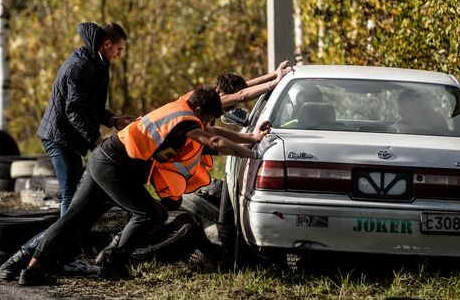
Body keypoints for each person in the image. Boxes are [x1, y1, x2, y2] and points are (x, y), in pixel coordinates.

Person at [17, 86, 275, 286]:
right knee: (150, 214)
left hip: (104, 159)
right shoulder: (185, 121)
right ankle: (112, 263)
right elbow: (215, 141)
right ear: (198, 110)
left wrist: (250, 138)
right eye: (206, 119)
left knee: (75, 219)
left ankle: (32, 269)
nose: (206, 125)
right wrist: (252, 154)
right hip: (113, 165)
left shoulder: (183, 104)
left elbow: (215, 133)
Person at [0, 22, 133, 281]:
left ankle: (24, 261)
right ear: (106, 44)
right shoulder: (80, 67)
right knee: (72, 206)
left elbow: (90, 106)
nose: (119, 54)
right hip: (60, 139)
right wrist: (96, 139)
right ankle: (55, 259)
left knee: (75, 204)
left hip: (69, 139)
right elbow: (74, 111)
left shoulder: (96, 63)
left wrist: (113, 120)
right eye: (118, 48)